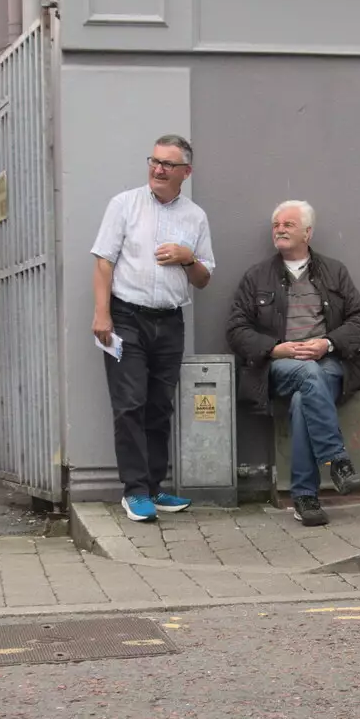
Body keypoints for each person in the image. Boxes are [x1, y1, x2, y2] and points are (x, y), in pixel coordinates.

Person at [90, 135, 215, 523]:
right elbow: (103, 261)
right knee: (130, 404)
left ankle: (156, 486)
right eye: (155, 161)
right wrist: (102, 313)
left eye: (168, 164)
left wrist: (187, 256)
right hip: (126, 316)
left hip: (170, 320)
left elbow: (204, 278)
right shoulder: (124, 205)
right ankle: (135, 491)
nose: (158, 169)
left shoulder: (195, 216)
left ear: (186, 173)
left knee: (160, 406)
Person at [226, 199, 360, 527]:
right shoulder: (257, 277)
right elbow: (236, 330)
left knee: (302, 399)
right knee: (306, 375)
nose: (279, 229)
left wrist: (328, 343)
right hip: (278, 367)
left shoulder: (334, 271)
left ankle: (305, 496)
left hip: (331, 363)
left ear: (307, 232)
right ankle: (337, 461)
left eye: (287, 225)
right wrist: (275, 349)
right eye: (276, 225)